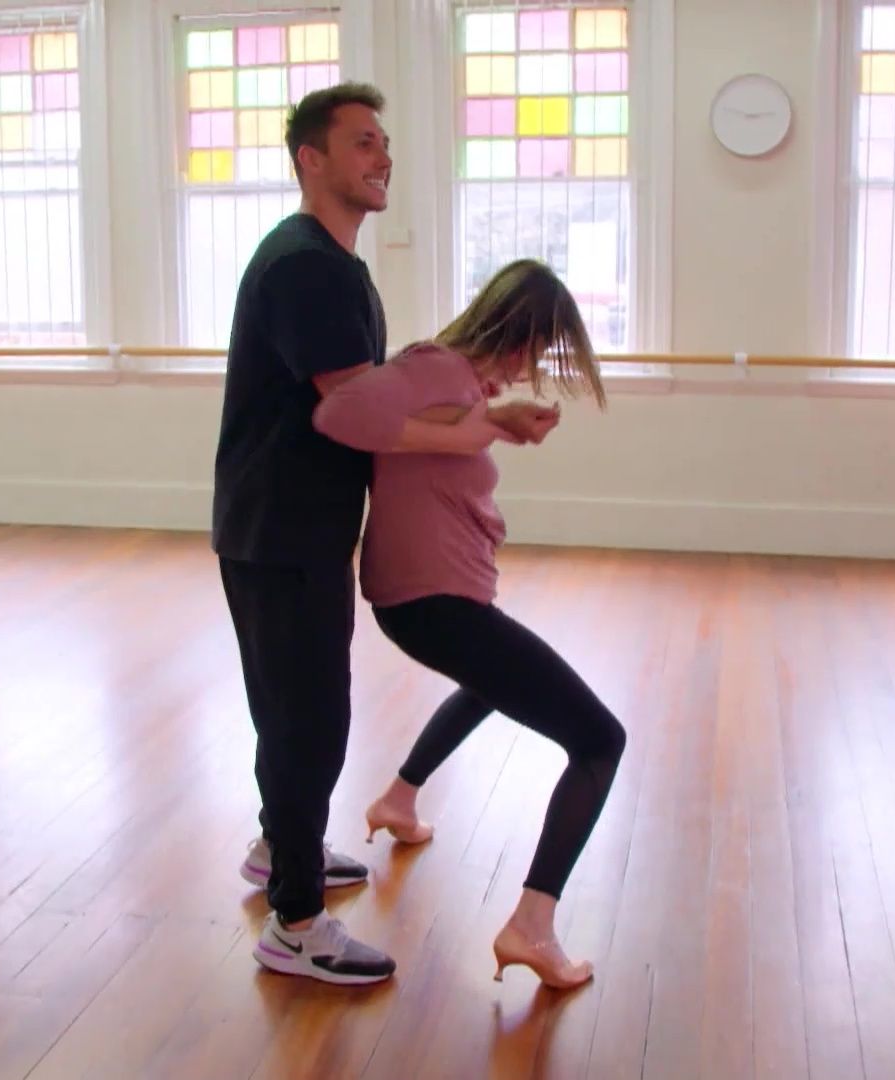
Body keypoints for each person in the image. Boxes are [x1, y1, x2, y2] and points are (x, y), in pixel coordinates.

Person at [212, 84, 556, 987]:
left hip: (292, 528)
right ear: (311, 159)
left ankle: (279, 848)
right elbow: (358, 416)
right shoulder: (309, 269)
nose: (383, 156)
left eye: (384, 141)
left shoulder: (335, 265)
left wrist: (479, 419)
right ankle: (294, 923)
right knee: (308, 718)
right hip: (282, 530)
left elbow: (368, 404)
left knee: (294, 709)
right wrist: (480, 427)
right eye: (362, 142)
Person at [312, 259, 626, 992]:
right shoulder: (436, 368)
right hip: (433, 604)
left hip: (439, 603)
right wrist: (482, 426)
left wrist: (490, 422)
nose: (530, 369)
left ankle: (399, 800)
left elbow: (438, 439)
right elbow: (338, 416)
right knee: (600, 741)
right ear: (514, 331)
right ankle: (531, 926)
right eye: (535, 350)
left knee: (492, 685)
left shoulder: (460, 386)